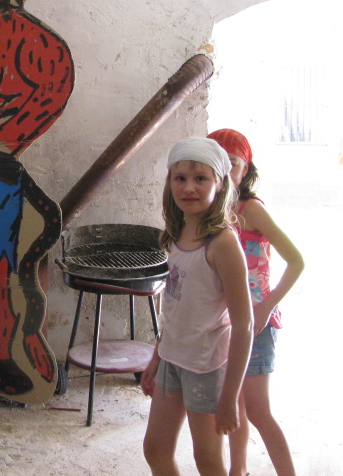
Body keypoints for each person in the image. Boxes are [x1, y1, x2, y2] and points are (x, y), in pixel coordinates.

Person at [142, 136, 253, 476]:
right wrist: (157, 357)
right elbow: (175, 308)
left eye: (200, 178)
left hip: (205, 366)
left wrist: (230, 396)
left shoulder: (223, 243)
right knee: (155, 449)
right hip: (173, 358)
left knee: (207, 460)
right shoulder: (176, 234)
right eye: (180, 178)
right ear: (169, 183)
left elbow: (244, 325)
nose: (189, 187)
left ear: (219, 184)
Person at [208, 129, 304, 476]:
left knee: (259, 411)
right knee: (234, 404)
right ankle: (239, 471)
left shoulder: (251, 210)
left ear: (245, 169)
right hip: (225, 324)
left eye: (232, 163)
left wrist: (266, 307)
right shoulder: (207, 211)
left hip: (256, 325)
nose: (224, 170)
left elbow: (296, 262)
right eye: (216, 163)